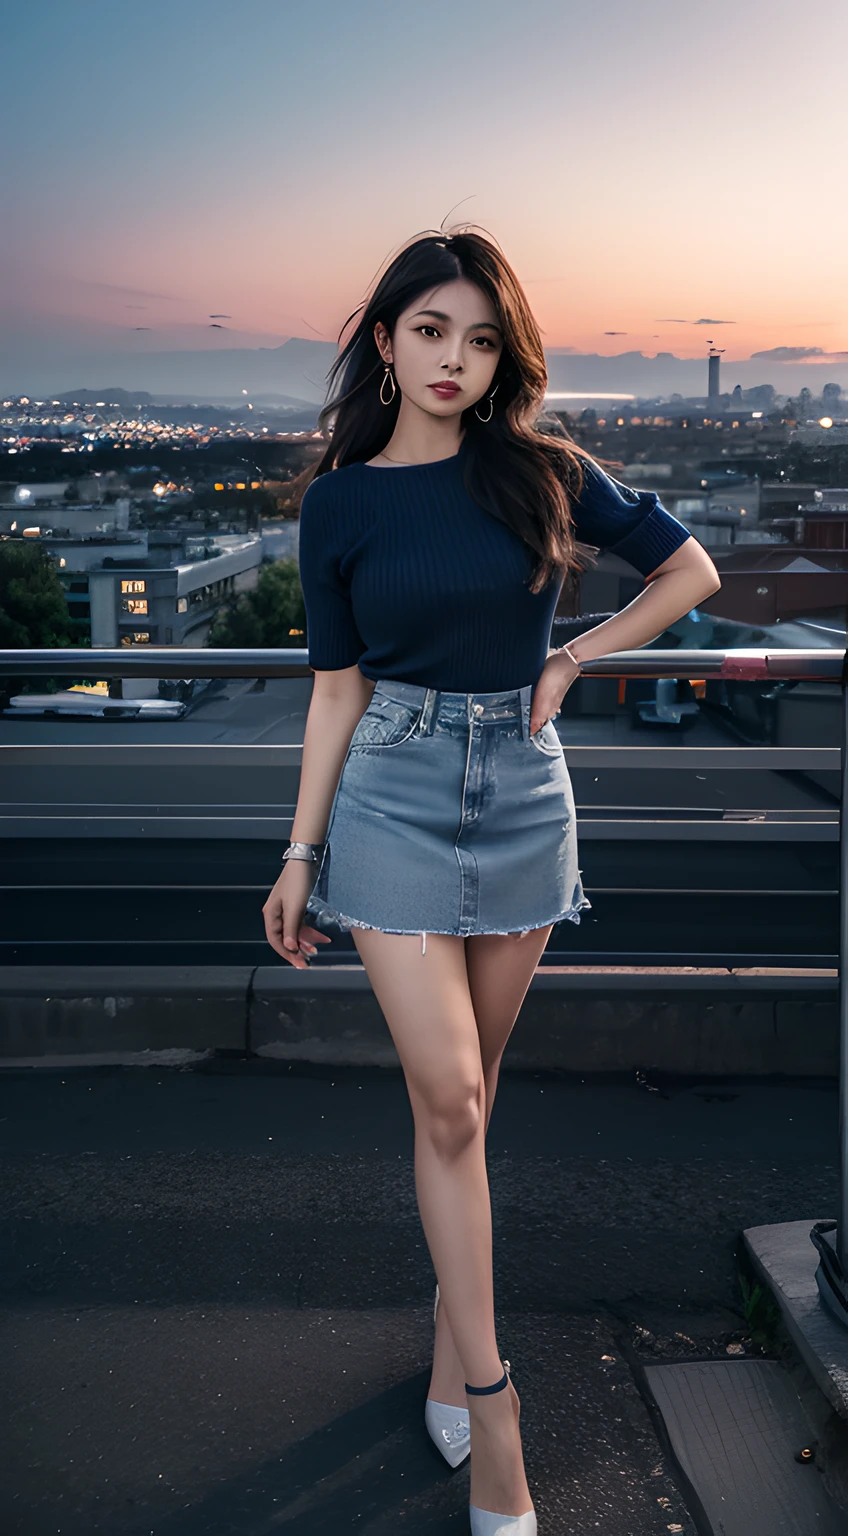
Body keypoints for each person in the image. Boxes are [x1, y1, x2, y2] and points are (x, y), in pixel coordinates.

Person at [262, 226, 720, 1534]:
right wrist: (302, 853)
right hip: (392, 796)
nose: (453, 360)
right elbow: (336, 684)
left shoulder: (545, 471)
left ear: (501, 354)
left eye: (478, 338)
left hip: (521, 797)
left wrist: (578, 654)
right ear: (385, 341)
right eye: (428, 332)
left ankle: (450, 1321)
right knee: (453, 1098)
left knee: (465, 1098)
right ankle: (496, 1403)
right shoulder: (340, 501)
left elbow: (692, 569)